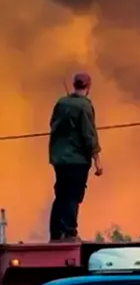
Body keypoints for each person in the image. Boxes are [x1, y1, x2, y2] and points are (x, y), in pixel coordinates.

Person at [48, 72, 103, 242]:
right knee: (73, 195)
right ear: (88, 86)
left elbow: (53, 124)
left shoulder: (61, 103)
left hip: (59, 159)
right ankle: (70, 232)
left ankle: (56, 233)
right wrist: (97, 161)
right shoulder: (85, 106)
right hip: (77, 159)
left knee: (61, 195)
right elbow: (89, 135)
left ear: (74, 85)